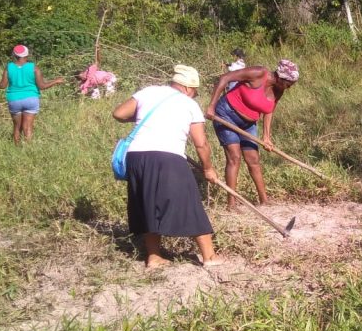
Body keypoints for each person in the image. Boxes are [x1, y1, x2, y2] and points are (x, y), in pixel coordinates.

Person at [111, 65, 223, 268]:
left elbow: (118, 113)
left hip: (136, 157)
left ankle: (154, 257)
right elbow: (201, 143)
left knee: (147, 203)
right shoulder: (189, 104)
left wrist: (144, 117)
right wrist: (208, 169)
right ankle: (209, 256)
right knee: (189, 202)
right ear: (188, 88)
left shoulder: (149, 92)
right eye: (195, 92)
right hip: (167, 158)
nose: (194, 95)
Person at [206, 58, 299, 206]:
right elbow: (225, 78)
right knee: (234, 157)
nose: (288, 88)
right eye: (288, 84)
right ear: (280, 77)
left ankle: (264, 201)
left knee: (253, 159)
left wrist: (266, 137)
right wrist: (211, 106)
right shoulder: (258, 73)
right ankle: (231, 204)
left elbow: (269, 110)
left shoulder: (279, 90)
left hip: (248, 123)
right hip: (226, 115)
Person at [0, 44, 65, 145]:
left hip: (14, 99)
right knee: (28, 127)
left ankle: (16, 147)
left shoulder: (9, 67)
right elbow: (42, 86)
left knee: (17, 127)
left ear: (14, 55)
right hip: (31, 99)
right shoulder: (34, 68)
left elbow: (2, 85)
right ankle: (28, 149)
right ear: (27, 54)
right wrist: (56, 81)